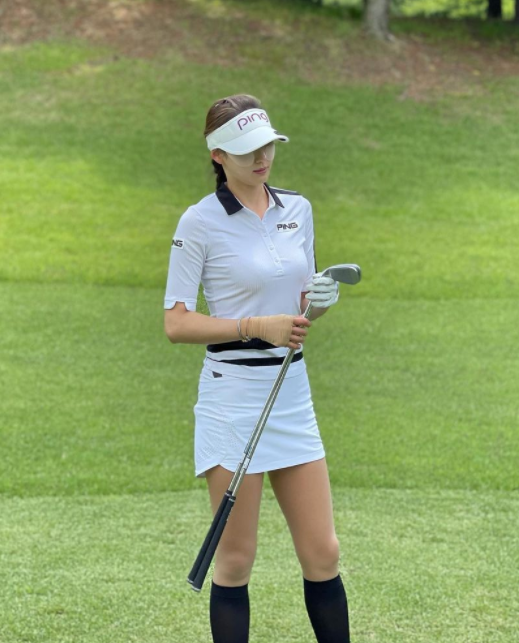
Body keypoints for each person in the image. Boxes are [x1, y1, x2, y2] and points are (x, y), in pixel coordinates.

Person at [164, 94, 351, 643]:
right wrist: (253, 326)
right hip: (233, 397)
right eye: (248, 150)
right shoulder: (199, 222)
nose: (262, 157)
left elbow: (299, 299)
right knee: (236, 560)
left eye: (267, 145)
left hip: (291, 392)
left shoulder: (298, 209)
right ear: (218, 155)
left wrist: (319, 301)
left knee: (323, 551)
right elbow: (176, 323)